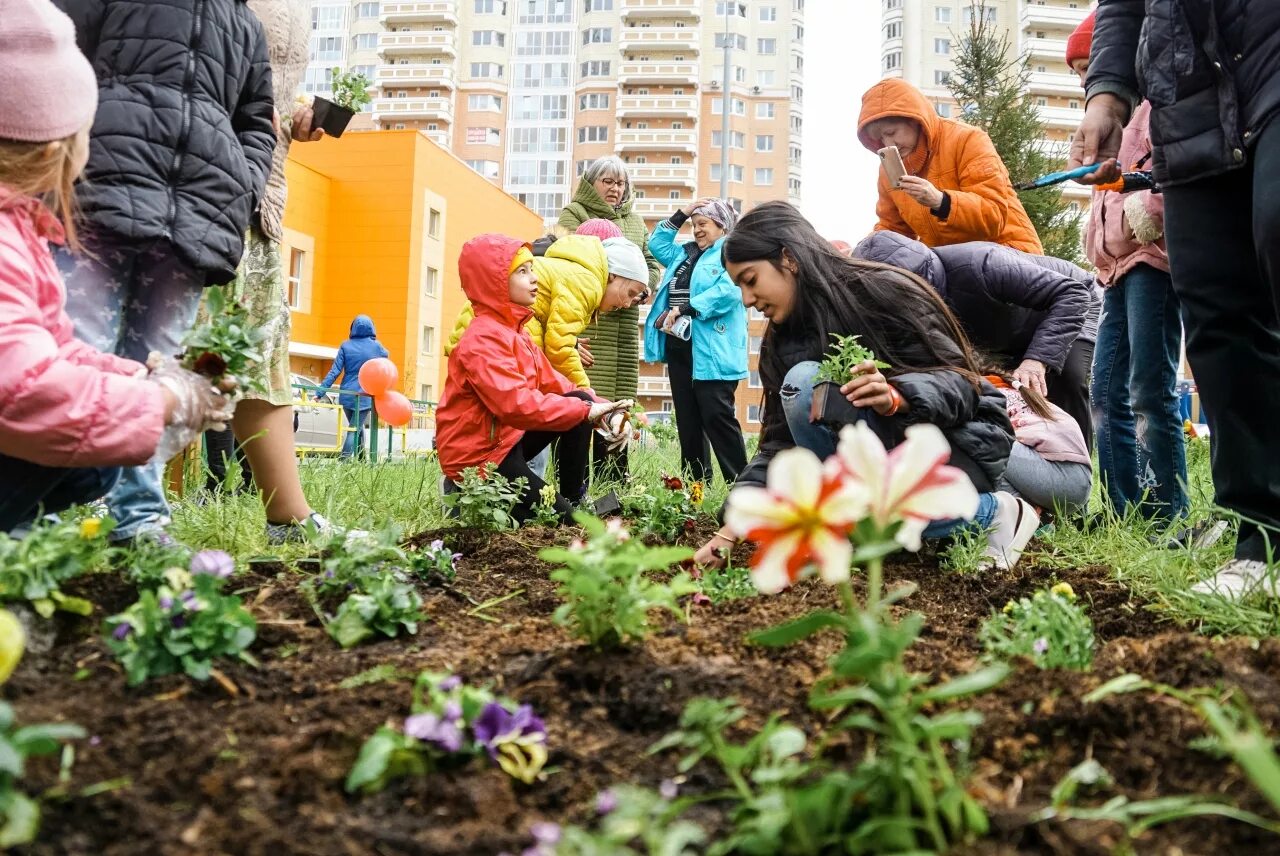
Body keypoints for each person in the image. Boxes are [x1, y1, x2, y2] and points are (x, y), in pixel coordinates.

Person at [692, 202, 1036, 572]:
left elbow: (962, 385)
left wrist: (897, 395)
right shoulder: (781, 342)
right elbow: (780, 443)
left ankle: (996, 513)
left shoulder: (883, 292)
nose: (746, 300)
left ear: (788, 259)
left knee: (806, 382)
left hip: (955, 445)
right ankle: (890, 528)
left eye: (750, 279)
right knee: (833, 514)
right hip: (878, 464)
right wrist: (736, 524)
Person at [1070, 0, 1280, 598]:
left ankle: (1167, 505)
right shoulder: (1140, 115)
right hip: (1187, 96)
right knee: (1216, 307)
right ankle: (1262, 537)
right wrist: (1107, 89)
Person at [0, 0, 234, 531]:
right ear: (55, 147)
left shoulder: (20, 228)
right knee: (77, 445)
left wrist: (143, 379)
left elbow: (54, 349)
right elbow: (21, 390)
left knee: (96, 457)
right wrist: (162, 401)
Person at [52, 0, 274, 546]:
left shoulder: (243, 23)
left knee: (163, 367)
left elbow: (256, 122)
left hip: (195, 214)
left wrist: (240, 185)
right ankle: (55, 508)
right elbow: (57, 56)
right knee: (80, 349)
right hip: (100, 190)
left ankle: (138, 517)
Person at [200, 0, 346, 542]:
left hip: (260, 188)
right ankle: (130, 510)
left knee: (262, 350)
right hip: (195, 177)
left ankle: (288, 517)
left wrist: (294, 114)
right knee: (165, 346)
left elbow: (268, 84)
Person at [1066, 11, 1188, 527]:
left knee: (1147, 389)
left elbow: (1177, 169)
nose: (1082, 80)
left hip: (1153, 265)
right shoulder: (1115, 124)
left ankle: (1168, 512)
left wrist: (1151, 210)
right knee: (1104, 389)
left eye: (1085, 65)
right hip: (1116, 269)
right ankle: (1124, 508)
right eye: (1076, 71)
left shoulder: (1161, 107)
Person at [435, 235, 631, 524]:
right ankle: (460, 488)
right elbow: (516, 405)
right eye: (522, 272)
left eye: (532, 270)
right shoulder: (481, 340)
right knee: (566, 523)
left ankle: (574, 498)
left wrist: (607, 412)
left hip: (504, 443)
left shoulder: (518, 334)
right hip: (479, 459)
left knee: (578, 401)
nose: (535, 280)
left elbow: (560, 386)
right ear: (495, 281)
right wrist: (586, 410)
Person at [853, 231, 1098, 448]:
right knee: (1010, 393)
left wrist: (1037, 359)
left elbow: (1071, 293)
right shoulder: (899, 303)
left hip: (1074, 300)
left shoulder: (982, 263)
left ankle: (1078, 471)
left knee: (1065, 377)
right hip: (1013, 328)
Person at [559, 156, 662, 478]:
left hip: (624, 326)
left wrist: (644, 287)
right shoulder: (574, 214)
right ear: (591, 183)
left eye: (620, 183)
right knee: (583, 396)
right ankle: (574, 478)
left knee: (620, 402)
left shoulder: (635, 221)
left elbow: (651, 264)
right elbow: (563, 260)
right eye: (608, 182)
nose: (615, 189)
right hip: (588, 321)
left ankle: (614, 476)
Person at [858, 78, 1043, 254]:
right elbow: (893, 229)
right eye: (881, 138)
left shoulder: (967, 140)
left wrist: (941, 201)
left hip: (1010, 251)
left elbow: (993, 216)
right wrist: (860, 255)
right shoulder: (888, 169)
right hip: (951, 263)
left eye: (891, 132)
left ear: (914, 120)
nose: (889, 143)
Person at [444, 234, 649, 388]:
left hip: (480, 322)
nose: (626, 304)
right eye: (630, 293)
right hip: (498, 325)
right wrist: (586, 394)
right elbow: (559, 347)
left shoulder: (578, 271)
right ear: (613, 276)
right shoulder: (588, 283)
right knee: (531, 392)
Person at [643, 198, 749, 484]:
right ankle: (695, 487)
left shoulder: (731, 251)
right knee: (688, 420)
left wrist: (687, 307)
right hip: (681, 344)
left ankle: (743, 486)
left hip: (712, 348)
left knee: (717, 416)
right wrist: (683, 214)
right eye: (694, 225)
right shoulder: (685, 253)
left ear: (722, 226)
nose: (697, 230)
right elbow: (657, 245)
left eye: (703, 224)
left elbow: (730, 291)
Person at [984, 368, 1092, 516]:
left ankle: (1024, 514)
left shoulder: (981, 393)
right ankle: (1039, 514)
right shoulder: (1015, 389)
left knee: (977, 443)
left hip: (1056, 477)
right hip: (1081, 479)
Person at [316, 315, 390, 459]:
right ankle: (344, 460)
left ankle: (362, 459)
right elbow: (386, 359)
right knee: (354, 429)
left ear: (353, 328)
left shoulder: (345, 345)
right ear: (371, 328)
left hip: (347, 394)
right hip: (365, 394)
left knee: (356, 426)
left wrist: (320, 392)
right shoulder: (377, 346)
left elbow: (335, 371)